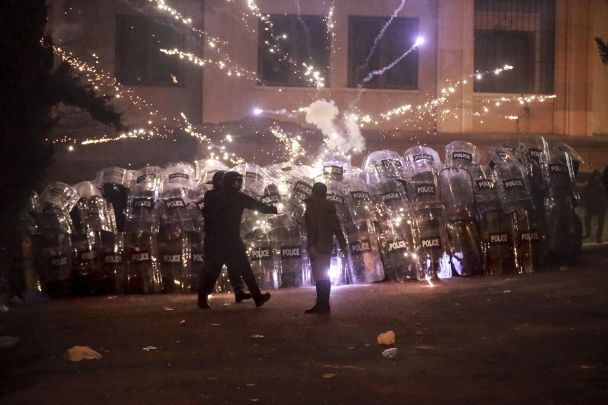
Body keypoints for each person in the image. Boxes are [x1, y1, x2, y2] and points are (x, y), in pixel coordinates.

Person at [197, 171, 277, 309]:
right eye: (237, 181)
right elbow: (256, 205)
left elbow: (206, 213)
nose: (239, 184)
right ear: (231, 182)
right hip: (230, 240)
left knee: (212, 271)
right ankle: (256, 297)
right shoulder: (237, 196)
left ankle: (202, 299)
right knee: (244, 269)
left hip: (214, 240)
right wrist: (272, 209)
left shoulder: (211, 195)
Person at [200, 170, 251, 303]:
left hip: (224, 238)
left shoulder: (224, 195)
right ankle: (203, 296)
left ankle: (239, 291)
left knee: (233, 265)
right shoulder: (212, 195)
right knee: (213, 269)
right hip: (215, 239)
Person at [303, 182, 348, 314]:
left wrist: (311, 245)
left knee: (319, 275)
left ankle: (321, 304)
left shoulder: (312, 206)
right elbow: (337, 227)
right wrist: (343, 245)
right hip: (327, 245)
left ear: (314, 192)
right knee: (324, 275)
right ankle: (324, 303)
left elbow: (312, 228)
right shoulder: (330, 207)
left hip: (316, 245)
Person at [582, 170, 607, 243]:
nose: (597, 177)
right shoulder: (590, 185)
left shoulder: (602, 185)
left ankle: (598, 237)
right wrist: (585, 203)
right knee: (587, 220)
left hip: (601, 206)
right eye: (596, 176)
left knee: (600, 223)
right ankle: (588, 234)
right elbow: (585, 194)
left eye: (598, 176)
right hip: (592, 206)